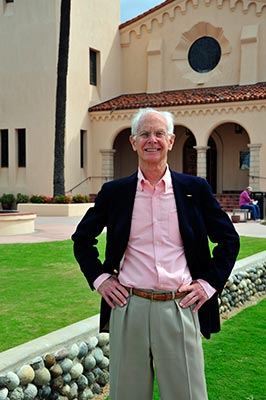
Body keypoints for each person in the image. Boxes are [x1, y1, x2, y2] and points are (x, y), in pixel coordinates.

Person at [72, 108, 240, 400]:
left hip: (179, 308)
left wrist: (207, 284)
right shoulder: (115, 192)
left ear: (171, 141)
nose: (152, 140)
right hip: (129, 308)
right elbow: (82, 239)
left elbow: (229, 240)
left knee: (187, 394)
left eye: (159, 133)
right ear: (134, 142)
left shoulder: (194, 190)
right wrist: (100, 279)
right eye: (145, 134)